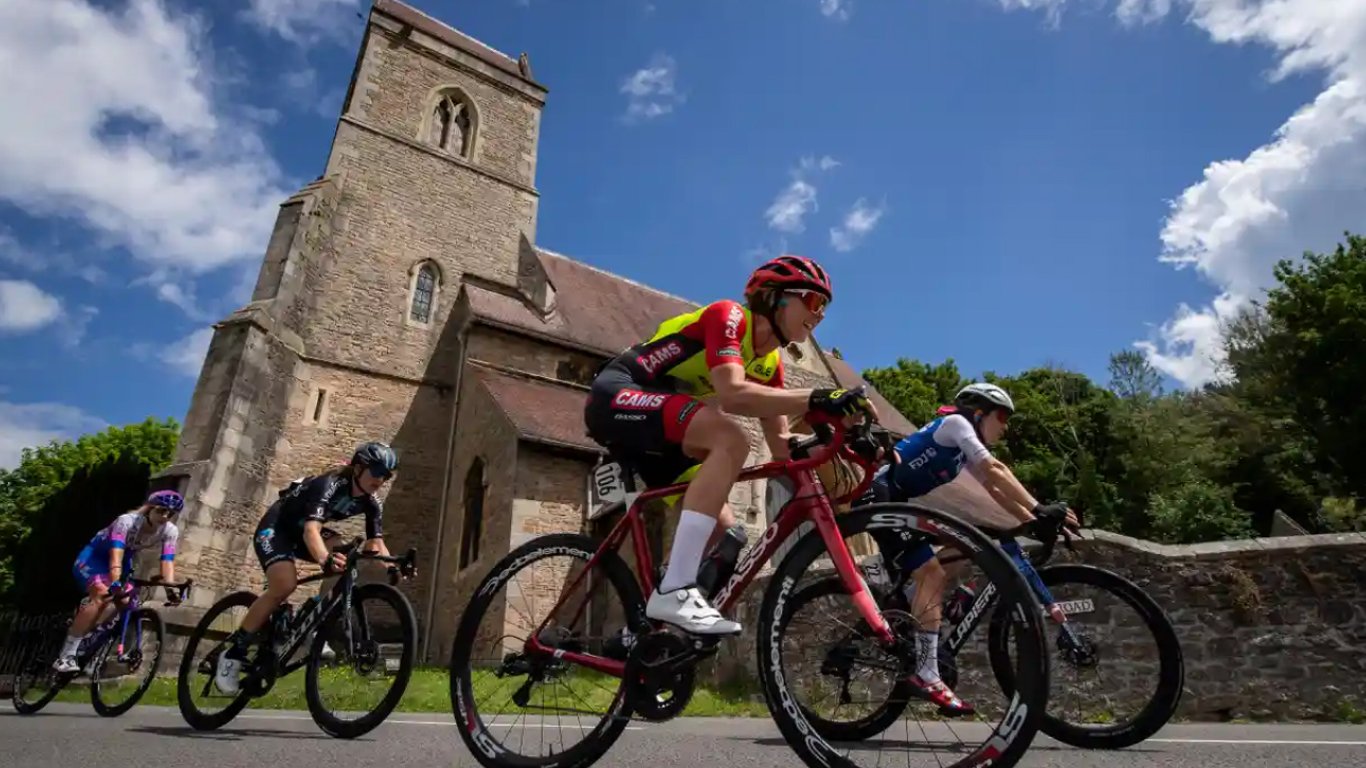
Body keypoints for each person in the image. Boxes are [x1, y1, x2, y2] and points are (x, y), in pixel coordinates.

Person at [583, 254, 877, 636]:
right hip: (619, 393)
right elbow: (734, 394)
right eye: (813, 301)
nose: (820, 314)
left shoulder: (771, 366)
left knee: (725, 532)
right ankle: (675, 588)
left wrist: (844, 435)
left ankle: (642, 634)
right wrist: (819, 397)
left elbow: (783, 449)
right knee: (732, 438)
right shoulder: (729, 317)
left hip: (664, 428)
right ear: (775, 297)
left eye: (825, 307)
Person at [863, 382, 1078, 715]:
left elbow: (993, 484)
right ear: (979, 412)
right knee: (932, 573)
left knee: (960, 549)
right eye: (1003, 415)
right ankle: (925, 669)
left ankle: (907, 600)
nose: (1005, 426)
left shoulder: (963, 451)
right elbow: (995, 469)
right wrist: (1039, 508)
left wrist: (1034, 520)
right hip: (879, 495)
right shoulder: (956, 424)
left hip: (898, 500)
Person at [213, 441, 400, 694]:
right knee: (285, 584)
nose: (381, 479)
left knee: (346, 556)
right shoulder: (331, 483)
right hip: (278, 529)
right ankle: (233, 652)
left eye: (386, 475)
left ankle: (312, 626)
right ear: (358, 468)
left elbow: (376, 543)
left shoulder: (371, 502)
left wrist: (393, 567)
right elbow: (312, 529)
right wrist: (324, 560)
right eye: (377, 471)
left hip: (307, 532)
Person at [56, 490, 185, 673]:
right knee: (102, 594)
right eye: (161, 510)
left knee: (126, 601)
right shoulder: (127, 521)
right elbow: (116, 553)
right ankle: (66, 654)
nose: (165, 516)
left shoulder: (170, 531)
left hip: (123, 562)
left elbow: (167, 561)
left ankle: (91, 642)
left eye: (170, 514)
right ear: (149, 508)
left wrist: (170, 588)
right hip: (96, 558)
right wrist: (115, 581)